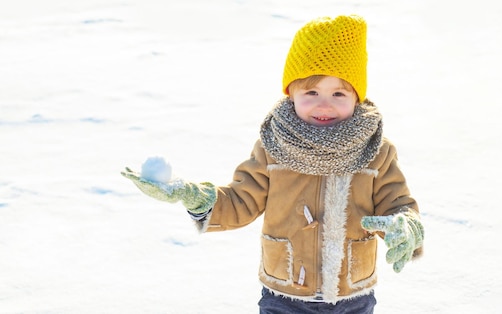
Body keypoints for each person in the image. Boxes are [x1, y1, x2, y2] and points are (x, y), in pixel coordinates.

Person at [121, 14, 424, 313]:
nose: (324, 104)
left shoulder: (375, 150)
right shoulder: (274, 147)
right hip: (284, 293)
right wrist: (196, 197)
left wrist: (404, 226)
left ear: (357, 97)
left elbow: (396, 202)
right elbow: (242, 199)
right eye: (311, 92)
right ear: (291, 93)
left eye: (339, 93)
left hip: (352, 297)